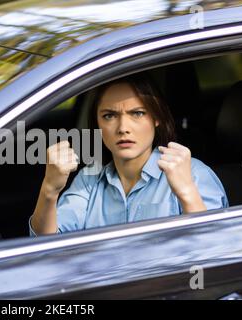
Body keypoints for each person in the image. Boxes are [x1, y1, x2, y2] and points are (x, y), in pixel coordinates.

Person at [29, 73, 228, 236]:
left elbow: (217, 252)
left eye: (137, 113)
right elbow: (46, 247)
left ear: (156, 117)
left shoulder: (193, 173)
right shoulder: (89, 180)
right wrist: (49, 189)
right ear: (97, 123)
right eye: (109, 116)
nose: (123, 128)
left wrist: (186, 192)